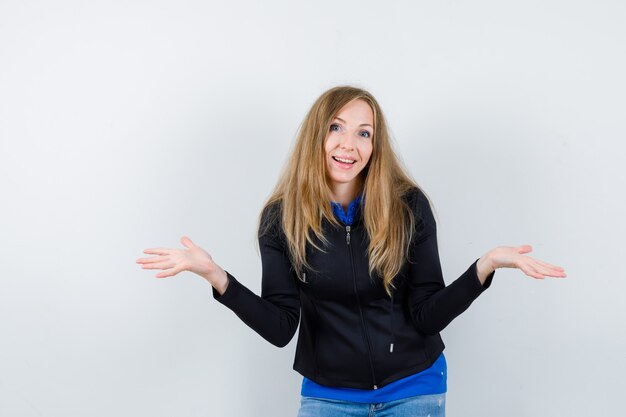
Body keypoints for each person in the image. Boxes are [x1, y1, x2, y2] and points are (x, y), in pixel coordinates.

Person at [135, 85, 566, 416]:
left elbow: (426, 314)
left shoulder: (407, 207)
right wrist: (218, 278)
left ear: (375, 146)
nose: (349, 144)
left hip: (414, 391)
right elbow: (281, 327)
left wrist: (484, 267)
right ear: (316, 136)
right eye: (337, 128)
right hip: (329, 398)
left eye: (365, 133)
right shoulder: (280, 219)